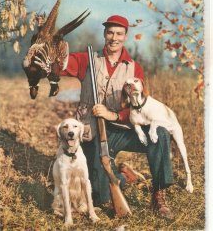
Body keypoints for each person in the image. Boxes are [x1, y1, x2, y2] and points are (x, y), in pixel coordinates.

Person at [60, 15, 174, 219]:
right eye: (110, 32)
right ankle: (122, 175)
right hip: (92, 132)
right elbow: (61, 63)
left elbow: (138, 106)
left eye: (119, 33)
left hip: (123, 130)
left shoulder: (134, 67)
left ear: (125, 36)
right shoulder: (87, 58)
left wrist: (112, 114)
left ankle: (158, 194)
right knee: (101, 196)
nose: (114, 37)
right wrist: (53, 43)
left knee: (161, 134)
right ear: (105, 34)